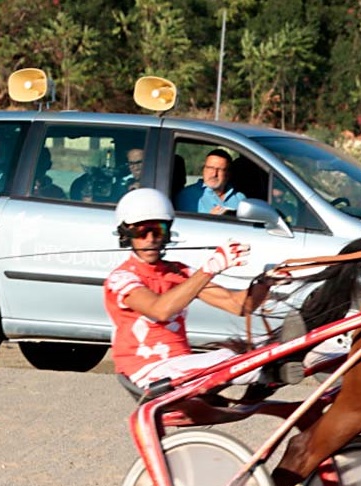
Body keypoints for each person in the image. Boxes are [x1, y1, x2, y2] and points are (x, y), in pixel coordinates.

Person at [103, 188, 297, 391]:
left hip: (181, 365)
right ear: (127, 234)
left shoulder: (179, 272)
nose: (151, 238)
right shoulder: (121, 278)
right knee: (229, 358)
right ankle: (270, 370)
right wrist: (210, 269)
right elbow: (159, 310)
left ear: (167, 232)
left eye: (158, 230)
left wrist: (264, 283)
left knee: (244, 349)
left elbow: (238, 305)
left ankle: (281, 361)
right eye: (141, 232)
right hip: (148, 372)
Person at [175, 148, 245, 215]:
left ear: (228, 174)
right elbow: (183, 225)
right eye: (210, 168)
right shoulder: (187, 195)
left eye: (220, 169)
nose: (214, 174)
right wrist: (210, 219)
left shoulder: (240, 198)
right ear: (203, 170)